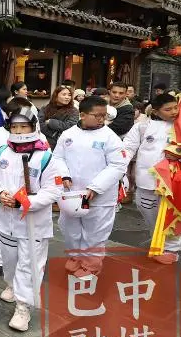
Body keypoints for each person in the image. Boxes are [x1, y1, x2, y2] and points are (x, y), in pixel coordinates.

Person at [0, 106, 63, 331]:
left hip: (33, 224)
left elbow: (53, 190)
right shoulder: (2, 152)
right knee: (9, 262)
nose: (18, 131)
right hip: (6, 220)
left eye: (23, 126)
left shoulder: (45, 157)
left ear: (33, 127)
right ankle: (11, 285)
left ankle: (23, 307)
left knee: (29, 265)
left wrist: (26, 202)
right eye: (14, 127)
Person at [123, 93, 181, 263]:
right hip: (147, 180)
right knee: (147, 210)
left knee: (177, 213)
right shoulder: (142, 127)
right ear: (155, 111)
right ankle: (158, 240)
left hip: (176, 180)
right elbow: (128, 148)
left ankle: (172, 248)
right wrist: (119, 168)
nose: (174, 112)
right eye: (168, 109)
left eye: (175, 107)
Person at [54, 96, 128, 277]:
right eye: (97, 115)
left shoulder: (110, 137)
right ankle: (75, 257)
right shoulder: (68, 134)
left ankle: (91, 264)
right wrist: (64, 175)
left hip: (98, 196)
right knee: (70, 229)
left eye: (104, 115)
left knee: (95, 232)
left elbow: (118, 165)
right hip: (72, 194)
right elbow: (57, 157)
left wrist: (95, 187)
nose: (102, 119)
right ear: (82, 115)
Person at [0, 97, 47, 277]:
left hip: (27, 194)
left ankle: (27, 263)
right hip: (2, 190)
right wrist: (0, 184)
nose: (19, 129)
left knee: (25, 230)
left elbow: (45, 165)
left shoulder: (39, 137)